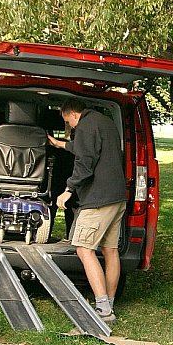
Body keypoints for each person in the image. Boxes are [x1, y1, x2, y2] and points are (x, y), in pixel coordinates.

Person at [49, 98, 126, 322]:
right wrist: (61, 144)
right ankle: (109, 304)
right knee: (110, 250)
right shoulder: (105, 121)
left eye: (68, 122)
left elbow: (85, 162)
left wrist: (68, 189)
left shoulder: (84, 126)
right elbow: (89, 149)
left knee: (83, 249)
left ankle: (102, 308)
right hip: (117, 197)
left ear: (74, 114)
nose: (70, 127)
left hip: (98, 199)